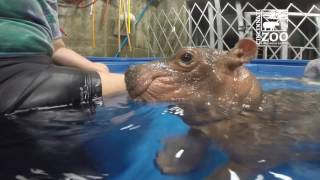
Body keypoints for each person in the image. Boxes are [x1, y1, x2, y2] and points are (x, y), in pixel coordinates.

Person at [0, 0, 126, 116]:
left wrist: (93, 67)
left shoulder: (49, 3)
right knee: (131, 84)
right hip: (12, 67)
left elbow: (57, 48)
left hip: (38, 67)